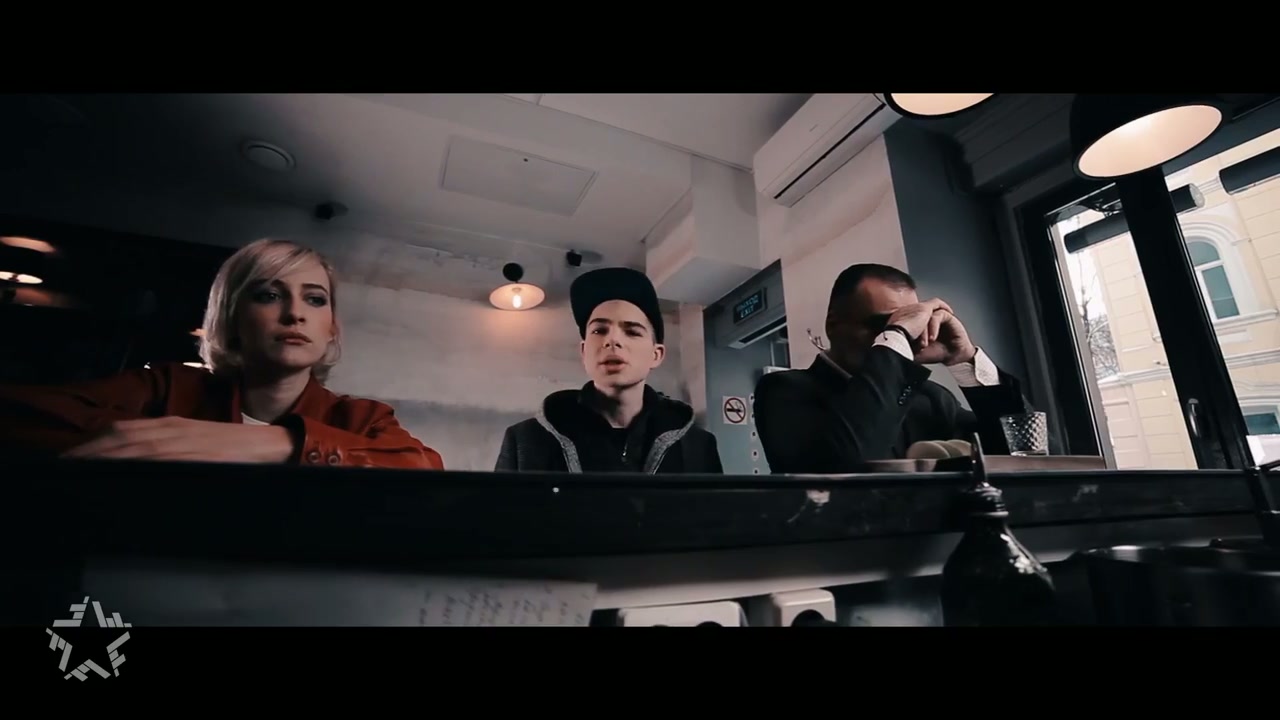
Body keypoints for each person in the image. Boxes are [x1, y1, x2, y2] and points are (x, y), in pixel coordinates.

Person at [0, 238, 444, 470]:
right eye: (269, 295)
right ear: (231, 319)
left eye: (314, 299)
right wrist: (158, 440)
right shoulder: (166, 388)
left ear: (332, 328)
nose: (295, 313)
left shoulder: (361, 419)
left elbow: (423, 468)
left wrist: (284, 444)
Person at [754, 263, 1031, 474]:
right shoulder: (784, 390)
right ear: (833, 324)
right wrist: (895, 336)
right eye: (882, 326)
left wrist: (964, 359)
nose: (904, 338)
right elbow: (845, 469)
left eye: (911, 324)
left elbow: (1027, 452)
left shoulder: (931, 398)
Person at [495, 267, 722, 474]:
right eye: (599, 330)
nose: (612, 340)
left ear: (656, 354)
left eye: (632, 332)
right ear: (583, 351)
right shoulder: (526, 440)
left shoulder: (698, 447)